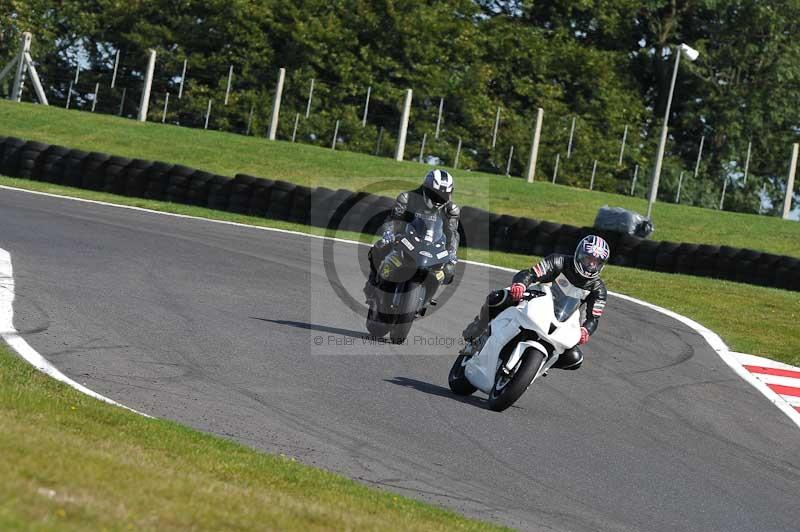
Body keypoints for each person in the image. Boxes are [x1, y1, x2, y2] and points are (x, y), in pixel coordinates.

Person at [462, 235, 610, 370]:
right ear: (579, 255)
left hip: (562, 318)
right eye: (588, 259)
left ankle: (539, 365)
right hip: (536, 298)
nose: (591, 264)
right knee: (498, 297)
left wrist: (586, 330)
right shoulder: (558, 261)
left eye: (596, 262)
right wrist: (521, 284)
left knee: (575, 358)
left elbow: (593, 318)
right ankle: (478, 330)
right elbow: (531, 274)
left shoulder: (599, 289)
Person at [364, 169, 460, 301]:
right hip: (404, 238)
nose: (439, 198)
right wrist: (388, 233)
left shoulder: (451, 209)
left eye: (444, 194)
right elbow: (393, 219)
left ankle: (427, 294)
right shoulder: (407, 198)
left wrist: (452, 252)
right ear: (426, 188)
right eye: (436, 194)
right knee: (379, 247)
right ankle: (373, 283)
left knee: (449, 270)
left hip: (432, 245)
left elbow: (452, 233)